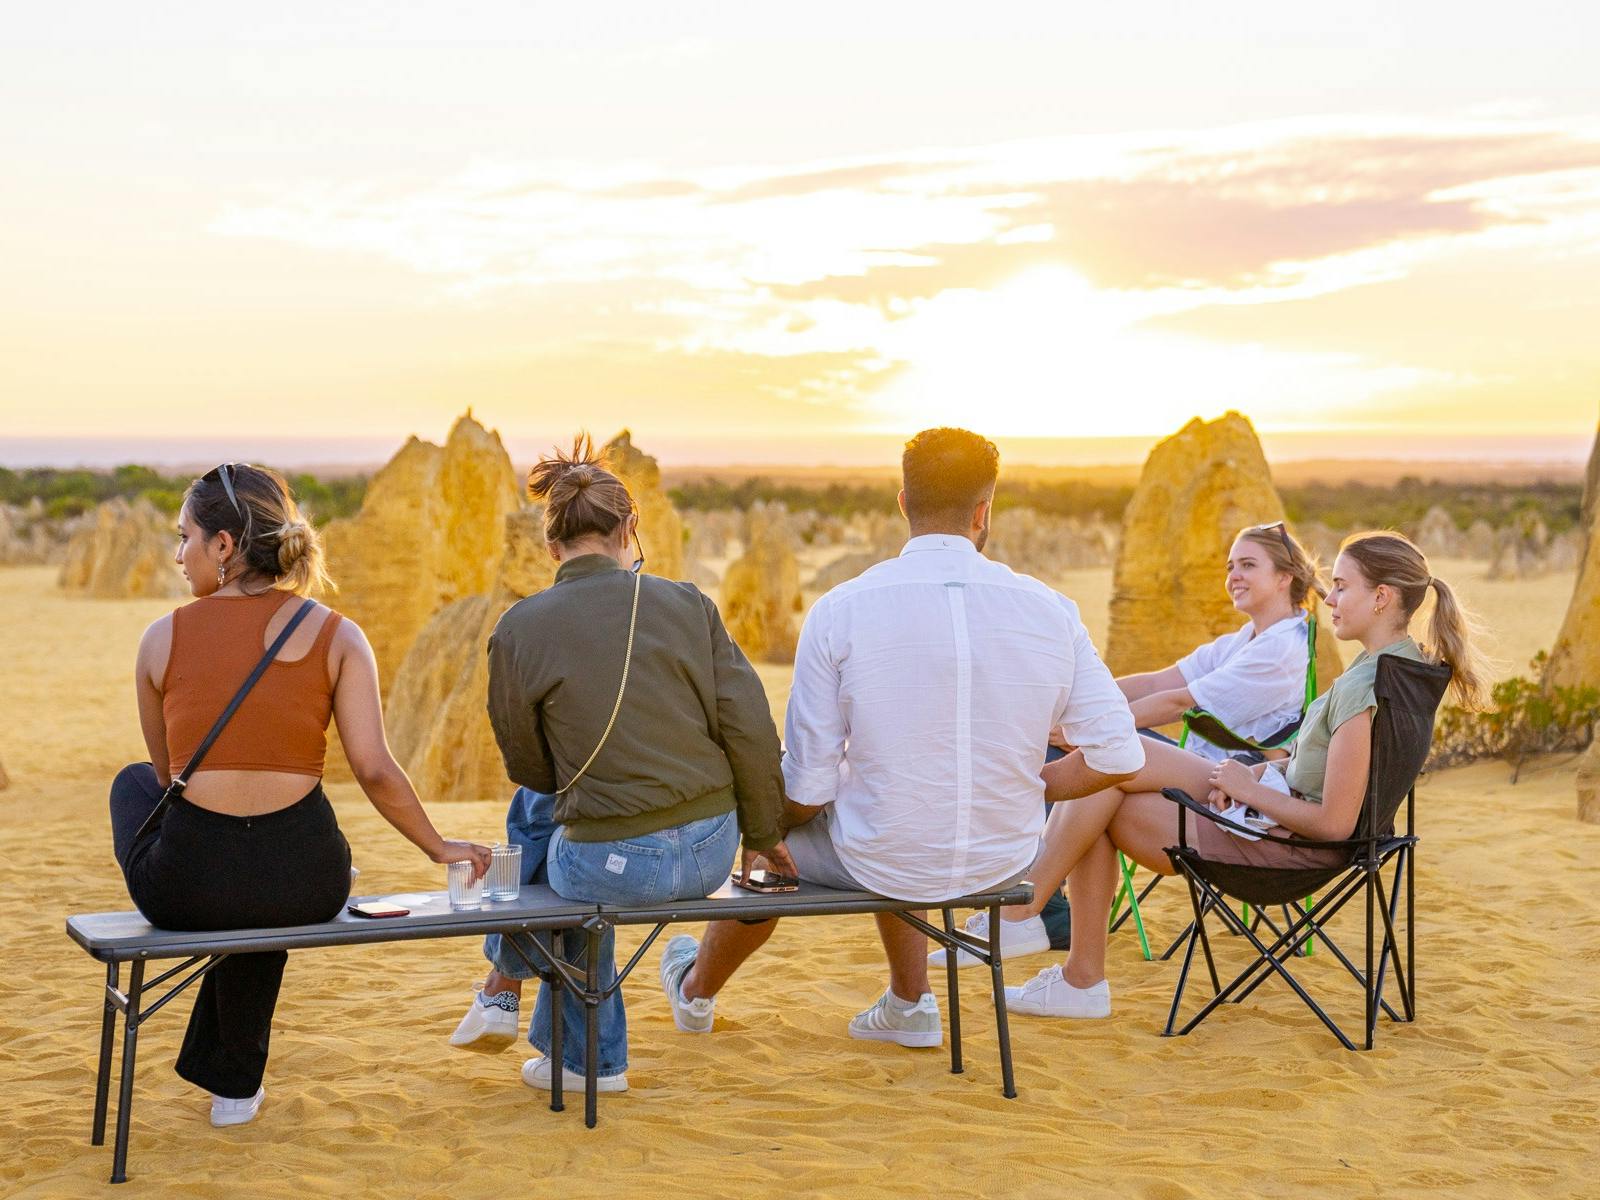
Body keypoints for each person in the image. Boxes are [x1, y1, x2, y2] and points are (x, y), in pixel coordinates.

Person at [656, 427, 1145, 1049]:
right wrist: (1032, 784)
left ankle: (696, 990)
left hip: (884, 852)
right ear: (984, 511)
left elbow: (809, 784)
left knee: (785, 846)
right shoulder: (1052, 610)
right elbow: (1120, 754)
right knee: (896, 800)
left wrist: (766, 825)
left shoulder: (841, 608)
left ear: (903, 503)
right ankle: (907, 1001)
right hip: (1006, 857)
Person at [111, 463, 490, 1128]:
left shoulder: (159, 639)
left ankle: (232, 1081)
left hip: (187, 888)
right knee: (261, 884)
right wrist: (438, 847)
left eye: (184, 537)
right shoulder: (340, 635)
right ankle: (233, 1085)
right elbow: (375, 769)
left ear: (223, 545)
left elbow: (171, 781)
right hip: (308, 882)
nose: (178, 555)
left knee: (135, 784)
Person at [999, 530, 1488, 1020]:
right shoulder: (1402, 669)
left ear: (1381, 597)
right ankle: (1042, 935)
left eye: (1341, 587)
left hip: (1284, 849)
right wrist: (1254, 774)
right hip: (1271, 814)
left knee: (1108, 776)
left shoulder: (1364, 687)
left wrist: (1247, 790)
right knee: (1118, 762)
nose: (1329, 599)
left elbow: (1335, 824)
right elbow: (1322, 768)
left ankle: (1036, 926)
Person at [450, 436, 792, 1095]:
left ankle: (556, 1034)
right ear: (630, 527)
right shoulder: (690, 604)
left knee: (547, 827)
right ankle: (527, 1018)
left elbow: (530, 767)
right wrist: (763, 836)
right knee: (564, 830)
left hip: (612, 866)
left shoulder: (519, 627)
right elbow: (749, 727)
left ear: (550, 545)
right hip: (710, 852)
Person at [1014, 520, 1325, 959]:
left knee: (1095, 757)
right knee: (1091, 761)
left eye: (1248, 565)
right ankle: (1046, 921)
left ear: (1284, 577)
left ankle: (1036, 910)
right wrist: (1074, 701)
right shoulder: (1243, 641)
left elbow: (1177, 702)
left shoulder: (1279, 650)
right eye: (1230, 566)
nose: (1234, 575)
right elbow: (1158, 681)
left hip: (1232, 784)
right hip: (1198, 767)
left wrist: (1085, 728)